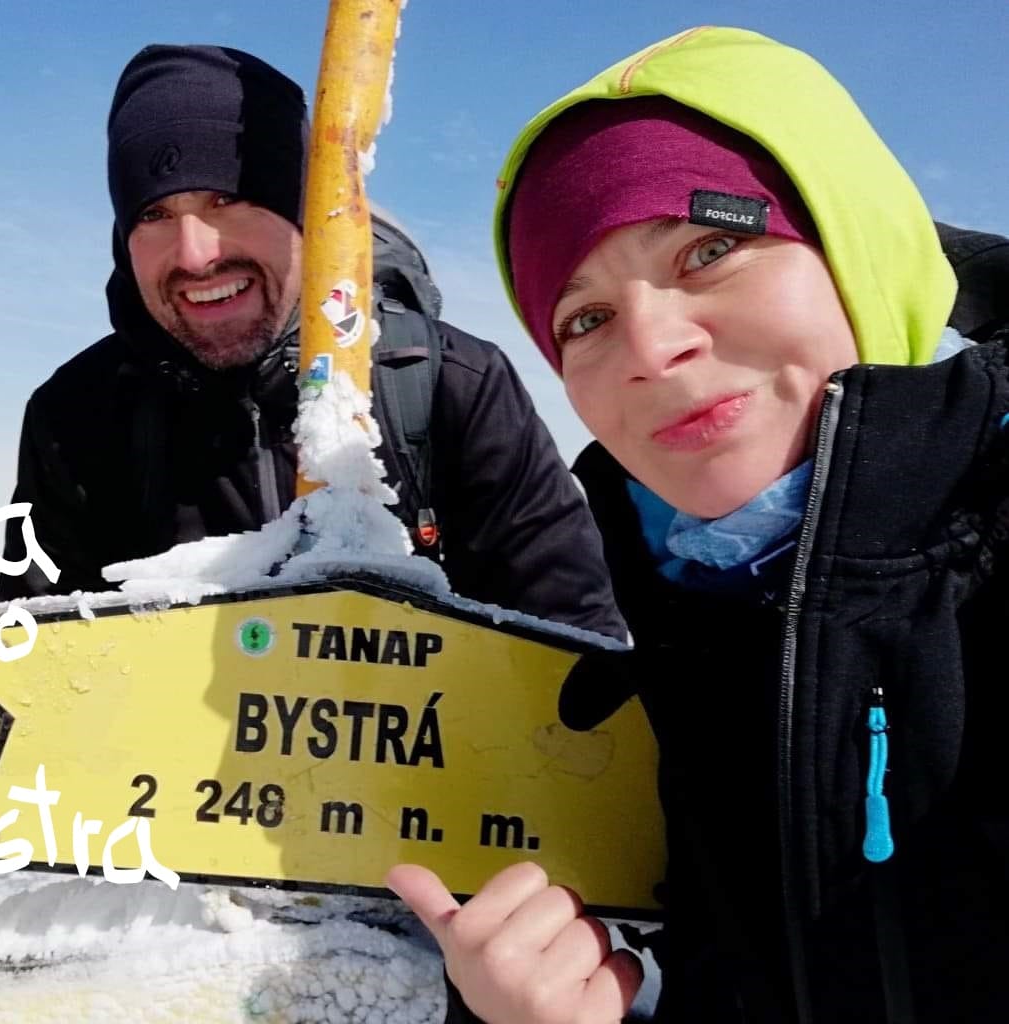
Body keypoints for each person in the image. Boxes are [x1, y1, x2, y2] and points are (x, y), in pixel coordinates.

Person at [389, 25, 1009, 1024]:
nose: (650, 346)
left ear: (856, 242)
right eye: (584, 319)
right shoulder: (668, 653)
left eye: (711, 248)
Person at [0, 43, 624, 641]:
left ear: (304, 211)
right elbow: (31, 669)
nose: (194, 254)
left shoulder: (451, 383)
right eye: (153, 215)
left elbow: (573, 655)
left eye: (228, 199)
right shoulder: (79, 416)